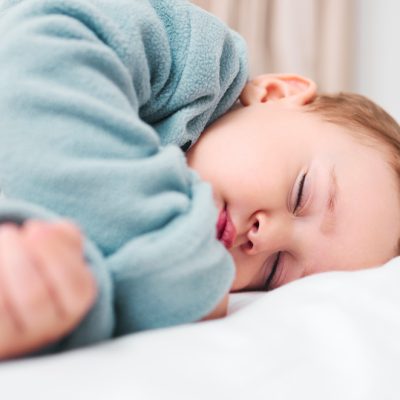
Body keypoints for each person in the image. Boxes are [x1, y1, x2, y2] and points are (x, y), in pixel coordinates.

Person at [0, 0, 399, 360]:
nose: (265, 238)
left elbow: (107, 296)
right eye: (301, 193)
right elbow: (32, 65)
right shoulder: (192, 56)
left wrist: (59, 305)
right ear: (276, 94)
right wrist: (190, 278)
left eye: (276, 269)